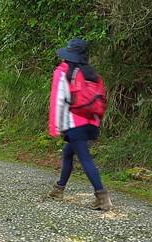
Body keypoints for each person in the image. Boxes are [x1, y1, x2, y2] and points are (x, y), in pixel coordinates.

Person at [48, 38, 113, 211]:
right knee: (68, 152)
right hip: (92, 122)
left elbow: (58, 100)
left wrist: (55, 126)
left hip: (74, 122)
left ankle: (102, 196)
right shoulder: (92, 73)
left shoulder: (63, 71)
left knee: (85, 158)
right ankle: (59, 189)